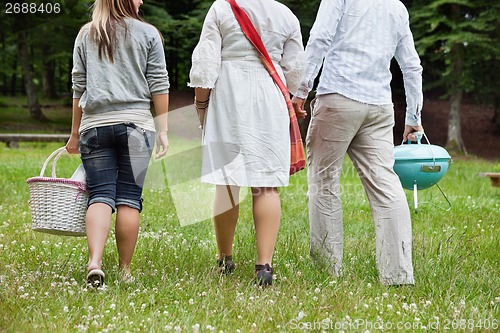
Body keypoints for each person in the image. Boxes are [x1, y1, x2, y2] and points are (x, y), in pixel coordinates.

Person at [291, 0, 424, 286]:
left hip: (338, 96)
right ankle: (398, 275)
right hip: (378, 106)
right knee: (386, 186)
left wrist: (301, 89)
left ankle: (328, 271)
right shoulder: (397, 7)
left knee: (324, 182)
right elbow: (412, 66)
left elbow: (320, 38)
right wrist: (414, 114)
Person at [188, 0, 304, 286]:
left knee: (227, 183)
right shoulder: (285, 14)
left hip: (229, 92)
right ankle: (264, 265)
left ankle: (225, 258)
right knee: (266, 185)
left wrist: (201, 103)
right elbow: (295, 70)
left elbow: (206, 62)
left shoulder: (221, 7)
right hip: (269, 94)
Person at [66, 0, 170, 287]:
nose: (141, 0)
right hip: (138, 127)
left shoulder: (86, 34)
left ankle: (95, 262)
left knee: (99, 195)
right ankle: (125, 271)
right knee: (128, 198)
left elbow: (79, 86)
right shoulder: (149, 34)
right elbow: (158, 84)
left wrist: (74, 133)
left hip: (94, 127)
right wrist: (163, 130)